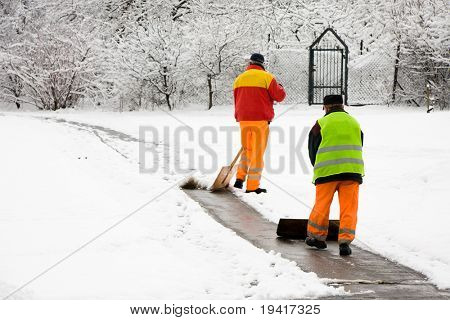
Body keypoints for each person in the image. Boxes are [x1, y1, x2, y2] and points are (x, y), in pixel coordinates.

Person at [305, 94, 364, 256]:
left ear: (325, 107)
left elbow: (312, 148)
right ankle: (345, 242)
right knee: (349, 208)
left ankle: (317, 238)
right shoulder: (354, 123)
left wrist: (318, 166)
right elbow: (360, 143)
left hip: (326, 173)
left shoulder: (321, 123)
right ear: (342, 106)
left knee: (322, 205)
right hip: (352, 172)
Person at [232, 53, 286, 193]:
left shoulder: (239, 79)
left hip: (243, 119)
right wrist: (280, 86)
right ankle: (252, 186)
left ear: (250, 63)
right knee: (257, 152)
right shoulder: (267, 77)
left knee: (246, 150)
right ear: (262, 63)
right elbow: (279, 96)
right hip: (260, 119)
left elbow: (237, 99)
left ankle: (239, 179)